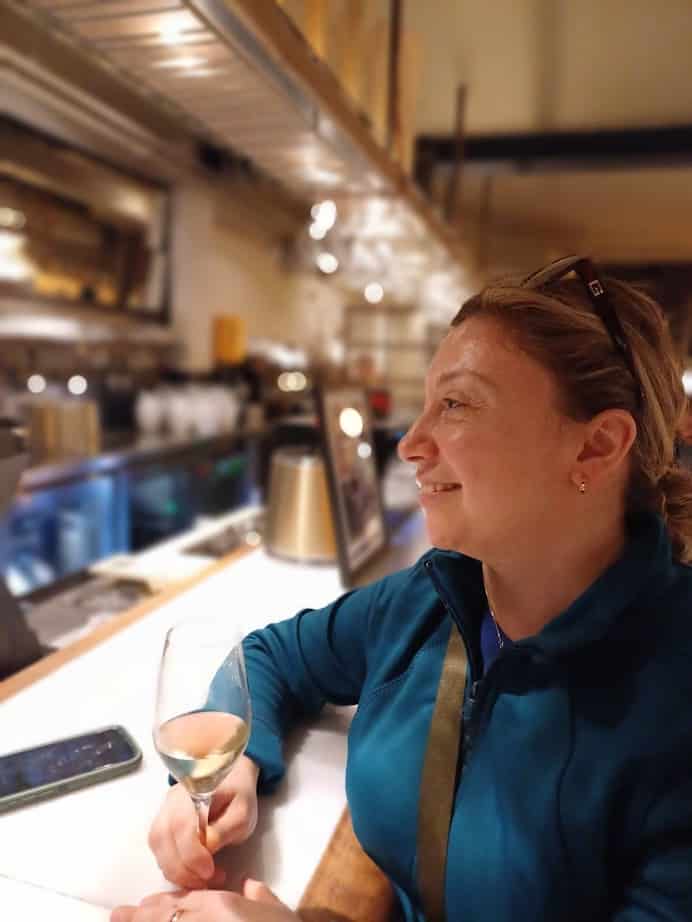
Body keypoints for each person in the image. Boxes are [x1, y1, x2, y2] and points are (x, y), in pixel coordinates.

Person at [113, 256, 692, 922]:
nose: (412, 443)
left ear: (595, 447)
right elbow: (270, 658)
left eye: (457, 404)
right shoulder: (432, 601)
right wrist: (237, 767)